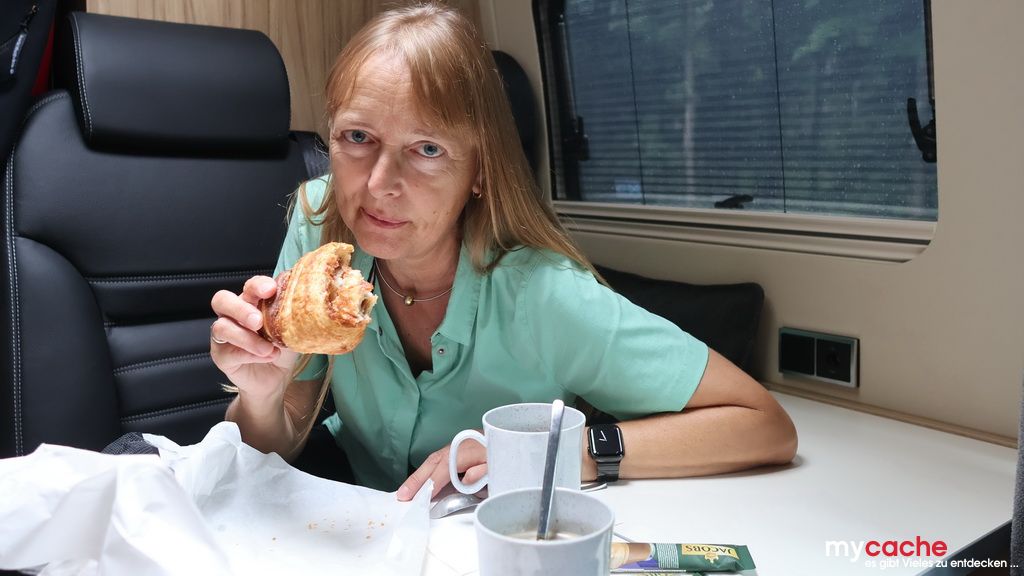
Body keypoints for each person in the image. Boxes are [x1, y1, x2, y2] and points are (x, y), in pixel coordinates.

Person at [209, 2, 797, 501]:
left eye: (427, 149)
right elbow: (278, 438)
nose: (379, 184)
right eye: (357, 137)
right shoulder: (322, 219)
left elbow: (764, 425)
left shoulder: (546, 295)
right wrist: (261, 396)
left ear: (479, 172)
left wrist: (547, 455)